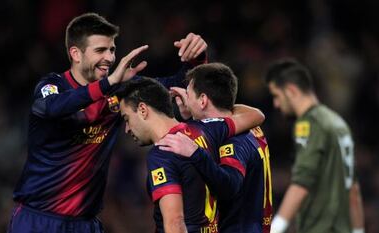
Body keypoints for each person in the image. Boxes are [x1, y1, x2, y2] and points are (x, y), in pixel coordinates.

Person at [8, 12, 208, 233]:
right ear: (76, 53)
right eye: (100, 50)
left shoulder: (119, 89)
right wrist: (109, 83)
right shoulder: (53, 86)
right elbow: (50, 108)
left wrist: (196, 58)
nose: (110, 58)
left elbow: (177, 84)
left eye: (112, 49)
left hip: (86, 224)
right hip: (38, 220)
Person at [117, 77, 265, 233]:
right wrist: (194, 108)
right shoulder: (206, 128)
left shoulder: (163, 153)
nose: (127, 129)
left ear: (142, 109)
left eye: (127, 118)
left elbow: (175, 223)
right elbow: (256, 115)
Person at [156, 63, 273, 233]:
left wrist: (195, 153)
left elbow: (230, 186)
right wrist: (191, 113)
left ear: (203, 100)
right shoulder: (251, 125)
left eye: (188, 94)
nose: (184, 100)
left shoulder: (232, 140)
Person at [265, 58, 365, 233]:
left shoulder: (310, 124)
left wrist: (275, 229)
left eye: (276, 95)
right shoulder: (338, 123)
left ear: (291, 90)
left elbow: (301, 183)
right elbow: (353, 190)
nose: (276, 104)